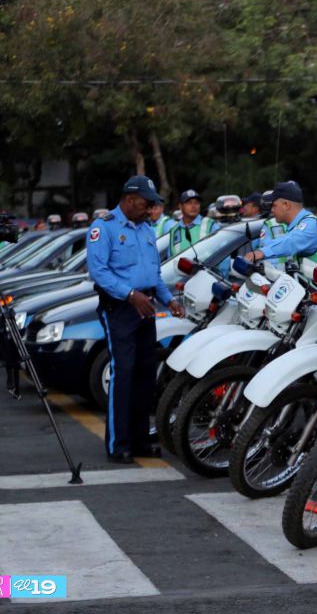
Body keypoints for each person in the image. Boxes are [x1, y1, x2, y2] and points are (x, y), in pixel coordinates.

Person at [86, 176, 185, 464]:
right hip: (120, 307)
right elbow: (99, 273)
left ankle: (140, 440)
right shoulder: (103, 228)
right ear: (130, 200)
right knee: (124, 372)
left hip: (146, 306)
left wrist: (169, 299)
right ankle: (119, 444)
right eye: (146, 203)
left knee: (145, 374)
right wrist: (130, 295)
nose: (150, 208)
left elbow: (154, 274)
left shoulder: (145, 230)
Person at [243, 182, 317, 265]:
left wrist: (261, 252)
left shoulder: (310, 223)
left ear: (286, 205)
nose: (272, 210)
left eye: (274, 205)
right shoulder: (296, 225)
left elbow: (291, 242)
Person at [168, 189, 219, 256]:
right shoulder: (174, 230)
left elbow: (222, 254)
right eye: (189, 203)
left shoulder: (211, 225)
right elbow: (170, 258)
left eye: (196, 203)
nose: (193, 206)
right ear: (180, 206)